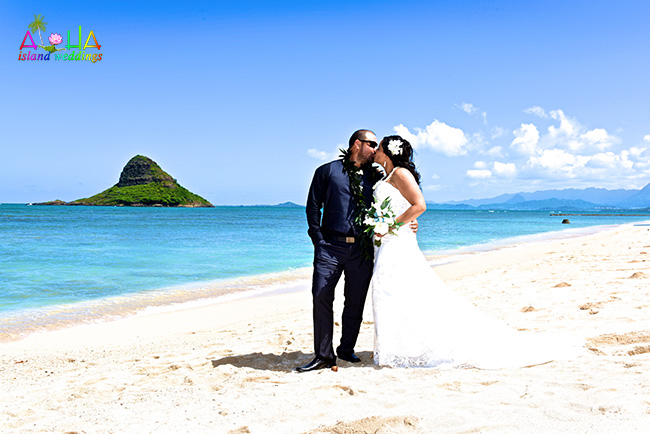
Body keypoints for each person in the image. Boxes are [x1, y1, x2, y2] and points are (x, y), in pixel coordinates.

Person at [370, 135, 582, 369]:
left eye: (379, 147)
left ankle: (409, 347)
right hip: (387, 242)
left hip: (397, 240)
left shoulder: (400, 173)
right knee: (391, 291)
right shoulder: (385, 176)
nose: (376, 151)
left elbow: (419, 205)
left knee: (404, 289)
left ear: (389, 152)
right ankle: (397, 347)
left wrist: (391, 225)